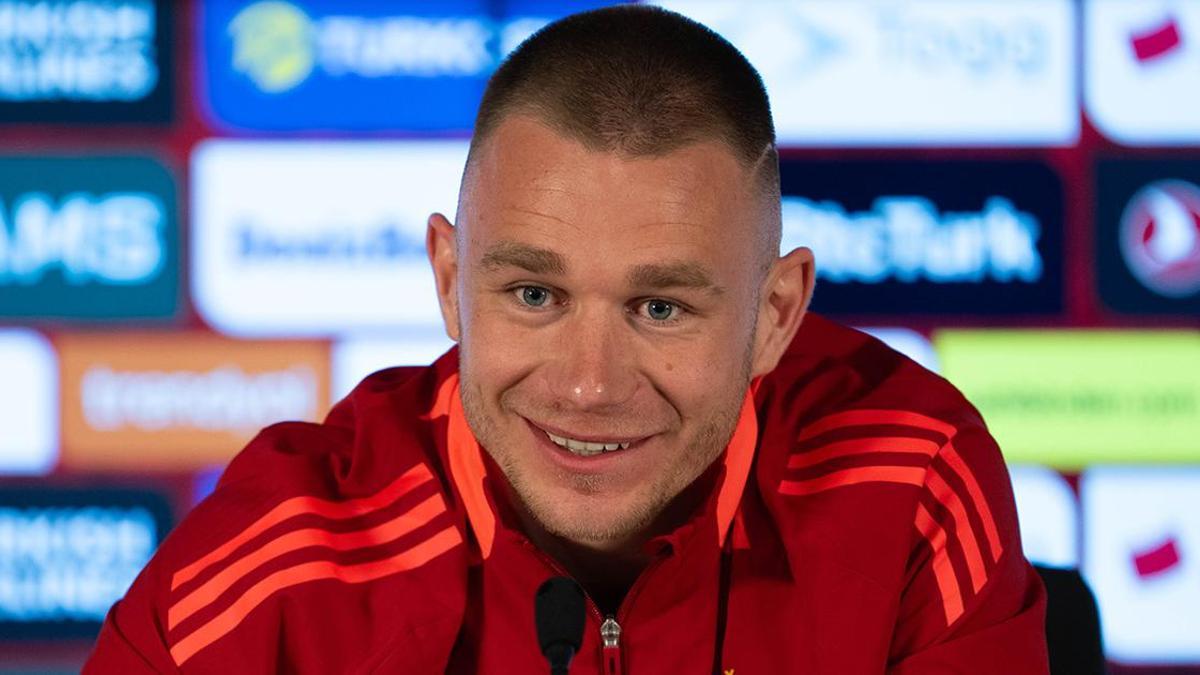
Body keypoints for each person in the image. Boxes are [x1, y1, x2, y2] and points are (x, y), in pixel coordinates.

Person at [84, 6, 1049, 673]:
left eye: (659, 308)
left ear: (775, 315)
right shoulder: (280, 563)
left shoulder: (911, 479)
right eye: (535, 294)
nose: (589, 386)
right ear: (451, 282)